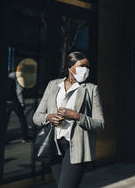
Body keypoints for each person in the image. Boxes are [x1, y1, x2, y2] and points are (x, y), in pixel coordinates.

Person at [33, 52, 104, 188]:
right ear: (70, 67)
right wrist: (49, 117)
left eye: (88, 67)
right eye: (82, 66)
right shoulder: (53, 85)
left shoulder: (90, 89)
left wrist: (77, 116)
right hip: (54, 147)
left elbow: (99, 124)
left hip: (76, 148)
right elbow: (37, 116)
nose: (86, 70)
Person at [5, 71, 28, 143]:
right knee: (22, 119)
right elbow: (19, 92)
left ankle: (3, 138)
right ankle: (24, 137)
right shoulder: (18, 79)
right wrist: (22, 103)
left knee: (5, 120)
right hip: (15, 102)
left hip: (7, 101)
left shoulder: (7, 78)